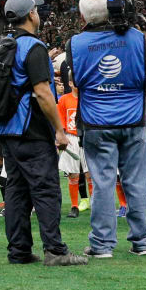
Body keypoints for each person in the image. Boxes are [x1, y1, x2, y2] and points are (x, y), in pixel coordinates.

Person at [68, 0, 146, 259]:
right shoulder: (134, 37)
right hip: (133, 120)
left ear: (83, 15)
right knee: (137, 183)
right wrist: (139, 33)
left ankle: (102, 245)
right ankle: (142, 242)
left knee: (103, 183)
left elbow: (75, 80)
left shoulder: (75, 42)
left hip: (96, 121)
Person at [0, 0, 84, 265]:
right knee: (45, 189)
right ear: (31, 14)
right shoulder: (34, 48)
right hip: (31, 128)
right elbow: (43, 94)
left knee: (16, 191)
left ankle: (19, 251)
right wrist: (59, 130)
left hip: (6, 129)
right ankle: (55, 251)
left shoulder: (5, 45)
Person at [56, 83, 92, 219]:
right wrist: (60, 136)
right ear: (70, 83)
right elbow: (60, 119)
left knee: (90, 173)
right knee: (73, 174)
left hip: (87, 136)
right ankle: (74, 205)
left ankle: (95, 204)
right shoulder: (64, 99)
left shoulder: (88, 98)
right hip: (70, 137)